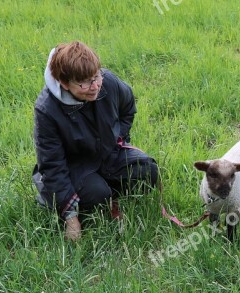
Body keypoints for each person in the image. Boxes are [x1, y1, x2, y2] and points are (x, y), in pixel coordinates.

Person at [31, 41, 158, 240]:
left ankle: (108, 192)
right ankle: (84, 198)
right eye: (84, 83)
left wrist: (119, 138)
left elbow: (128, 109)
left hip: (108, 153)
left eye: (96, 76)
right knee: (97, 195)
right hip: (75, 165)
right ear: (64, 83)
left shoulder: (108, 81)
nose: (95, 86)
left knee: (147, 170)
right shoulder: (47, 110)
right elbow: (52, 165)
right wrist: (71, 219)